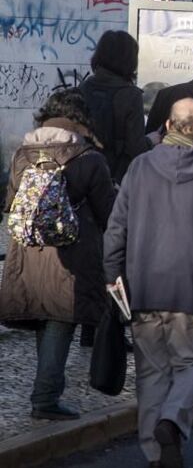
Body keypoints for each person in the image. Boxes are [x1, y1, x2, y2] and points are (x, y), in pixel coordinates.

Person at [103, 98, 193, 468]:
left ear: (167, 125)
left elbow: (116, 228)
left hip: (143, 287)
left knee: (152, 373)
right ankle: (172, 420)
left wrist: (111, 275)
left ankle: (156, 453)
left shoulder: (139, 168)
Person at [0, 90, 115, 420]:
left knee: (45, 318)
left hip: (29, 250)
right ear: (81, 120)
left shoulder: (23, 153)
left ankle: (45, 390)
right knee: (61, 320)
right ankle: (45, 398)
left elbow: (11, 203)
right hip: (71, 253)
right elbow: (107, 211)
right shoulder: (89, 157)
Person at [79, 29, 152, 184]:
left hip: (81, 174)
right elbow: (136, 148)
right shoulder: (131, 96)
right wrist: (151, 141)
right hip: (114, 179)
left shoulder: (83, 88)